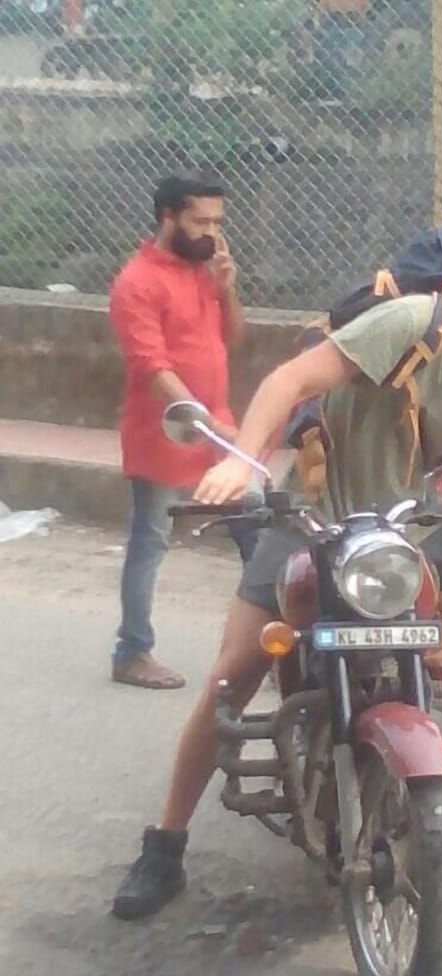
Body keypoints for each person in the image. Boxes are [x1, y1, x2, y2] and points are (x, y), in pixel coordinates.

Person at [112, 286, 442, 919]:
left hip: (412, 531)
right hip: (315, 521)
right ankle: (165, 845)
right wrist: (242, 467)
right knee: (233, 672)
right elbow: (290, 379)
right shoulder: (412, 328)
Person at [109, 173, 257, 691]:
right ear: (168, 217)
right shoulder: (137, 282)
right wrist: (204, 420)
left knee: (259, 528)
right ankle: (132, 651)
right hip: (167, 433)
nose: (212, 232)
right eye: (202, 221)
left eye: (218, 222)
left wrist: (228, 290)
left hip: (217, 432)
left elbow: (231, 339)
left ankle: (271, 648)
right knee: (150, 540)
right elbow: (153, 368)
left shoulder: (203, 269)